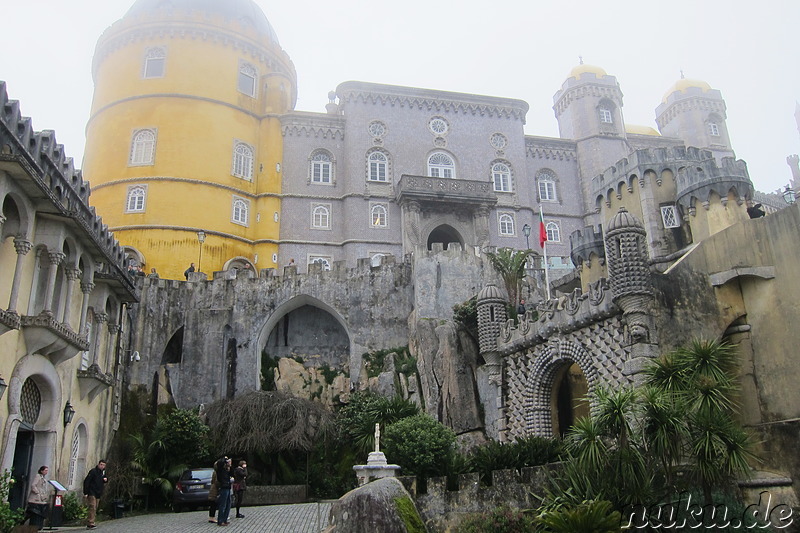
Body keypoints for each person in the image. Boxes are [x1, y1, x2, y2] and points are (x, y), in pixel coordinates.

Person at [83, 460, 108, 530]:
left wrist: (105, 480)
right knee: (92, 506)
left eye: (103, 465)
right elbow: (87, 481)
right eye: (101, 465)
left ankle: (91, 521)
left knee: (95, 507)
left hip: (98, 492)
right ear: (98, 464)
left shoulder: (102, 473)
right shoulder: (93, 471)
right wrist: (86, 492)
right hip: (92, 492)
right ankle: (90, 523)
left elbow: (103, 480)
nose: (102, 466)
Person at [26, 466, 50, 530]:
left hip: (40, 497)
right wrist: (37, 492)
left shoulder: (43, 478)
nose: (46, 472)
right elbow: (33, 485)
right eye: (45, 470)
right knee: (31, 512)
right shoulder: (38, 476)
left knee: (37, 512)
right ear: (41, 471)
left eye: (47, 470)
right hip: (35, 497)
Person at [214, 457, 233, 526]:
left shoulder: (226, 470)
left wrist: (230, 466)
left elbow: (232, 474)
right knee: (223, 504)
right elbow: (220, 462)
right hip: (223, 487)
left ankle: (224, 519)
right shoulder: (220, 470)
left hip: (227, 486)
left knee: (228, 504)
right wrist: (225, 459)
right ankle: (220, 520)